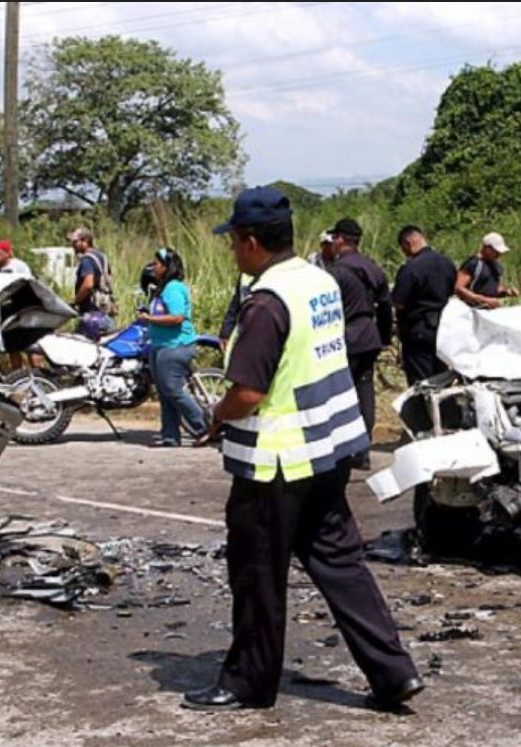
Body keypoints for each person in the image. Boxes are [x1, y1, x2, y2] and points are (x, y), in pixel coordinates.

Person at [183, 186, 423, 713]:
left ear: (249, 242)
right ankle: (392, 672)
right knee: (341, 564)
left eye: (233, 242)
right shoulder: (318, 281)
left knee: (257, 575)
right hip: (328, 453)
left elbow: (247, 392)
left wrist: (214, 417)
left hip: (276, 465)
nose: (231, 251)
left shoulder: (266, 302)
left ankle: (248, 681)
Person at [324, 217, 392, 471]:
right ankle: (362, 450)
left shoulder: (337, 271)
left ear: (341, 239)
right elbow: (385, 307)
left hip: (346, 336)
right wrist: (384, 338)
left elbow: (328, 309)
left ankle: (344, 449)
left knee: (341, 394)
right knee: (365, 393)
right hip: (369, 336)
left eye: (334, 238)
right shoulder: (373, 268)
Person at [137, 247, 208, 447]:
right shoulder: (162, 288)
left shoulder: (174, 288)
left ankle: (205, 427)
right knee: (164, 393)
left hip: (176, 347)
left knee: (173, 390)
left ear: (168, 267)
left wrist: (149, 318)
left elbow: (177, 317)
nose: (154, 267)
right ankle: (170, 435)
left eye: (157, 264)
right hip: (160, 346)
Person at [390, 224, 457, 385]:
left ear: (408, 243)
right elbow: (452, 291)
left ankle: (423, 410)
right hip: (443, 328)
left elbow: (399, 302)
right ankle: (445, 409)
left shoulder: (411, 268)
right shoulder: (448, 264)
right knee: (441, 375)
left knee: (421, 381)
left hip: (417, 329)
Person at [68, 226, 117, 340]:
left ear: (85, 241)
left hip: (91, 314)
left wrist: (75, 301)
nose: (72, 245)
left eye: (75, 242)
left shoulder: (87, 259)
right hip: (105, 312)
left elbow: (88, 284)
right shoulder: (102, 257)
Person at [454, 232, 518, 309]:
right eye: (496, 251)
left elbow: (493, 289)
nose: (499, 254)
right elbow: (458, 288)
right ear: (487, 248)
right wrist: (483, 300)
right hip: (470, 311)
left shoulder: (496, 267)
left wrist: (506, 292)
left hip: (489, 312)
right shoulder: (474, 264)